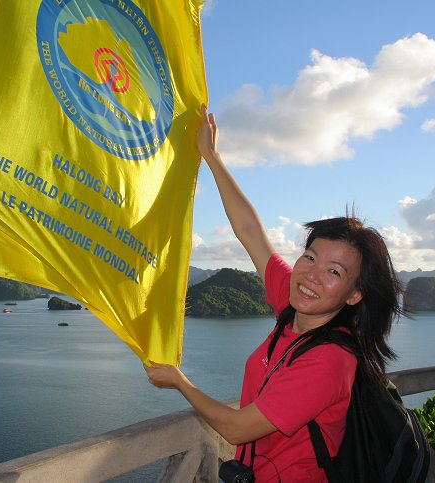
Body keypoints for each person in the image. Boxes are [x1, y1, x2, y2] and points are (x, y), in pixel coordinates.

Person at [144, 105, 403, 482]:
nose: (312, 275)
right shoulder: (295, 305)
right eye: (310, 256)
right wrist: (212, 158)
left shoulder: (329, 360)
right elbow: (250, 232)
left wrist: (180, 382)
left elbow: (235, 429)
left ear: (355, 295)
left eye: (334, 271)